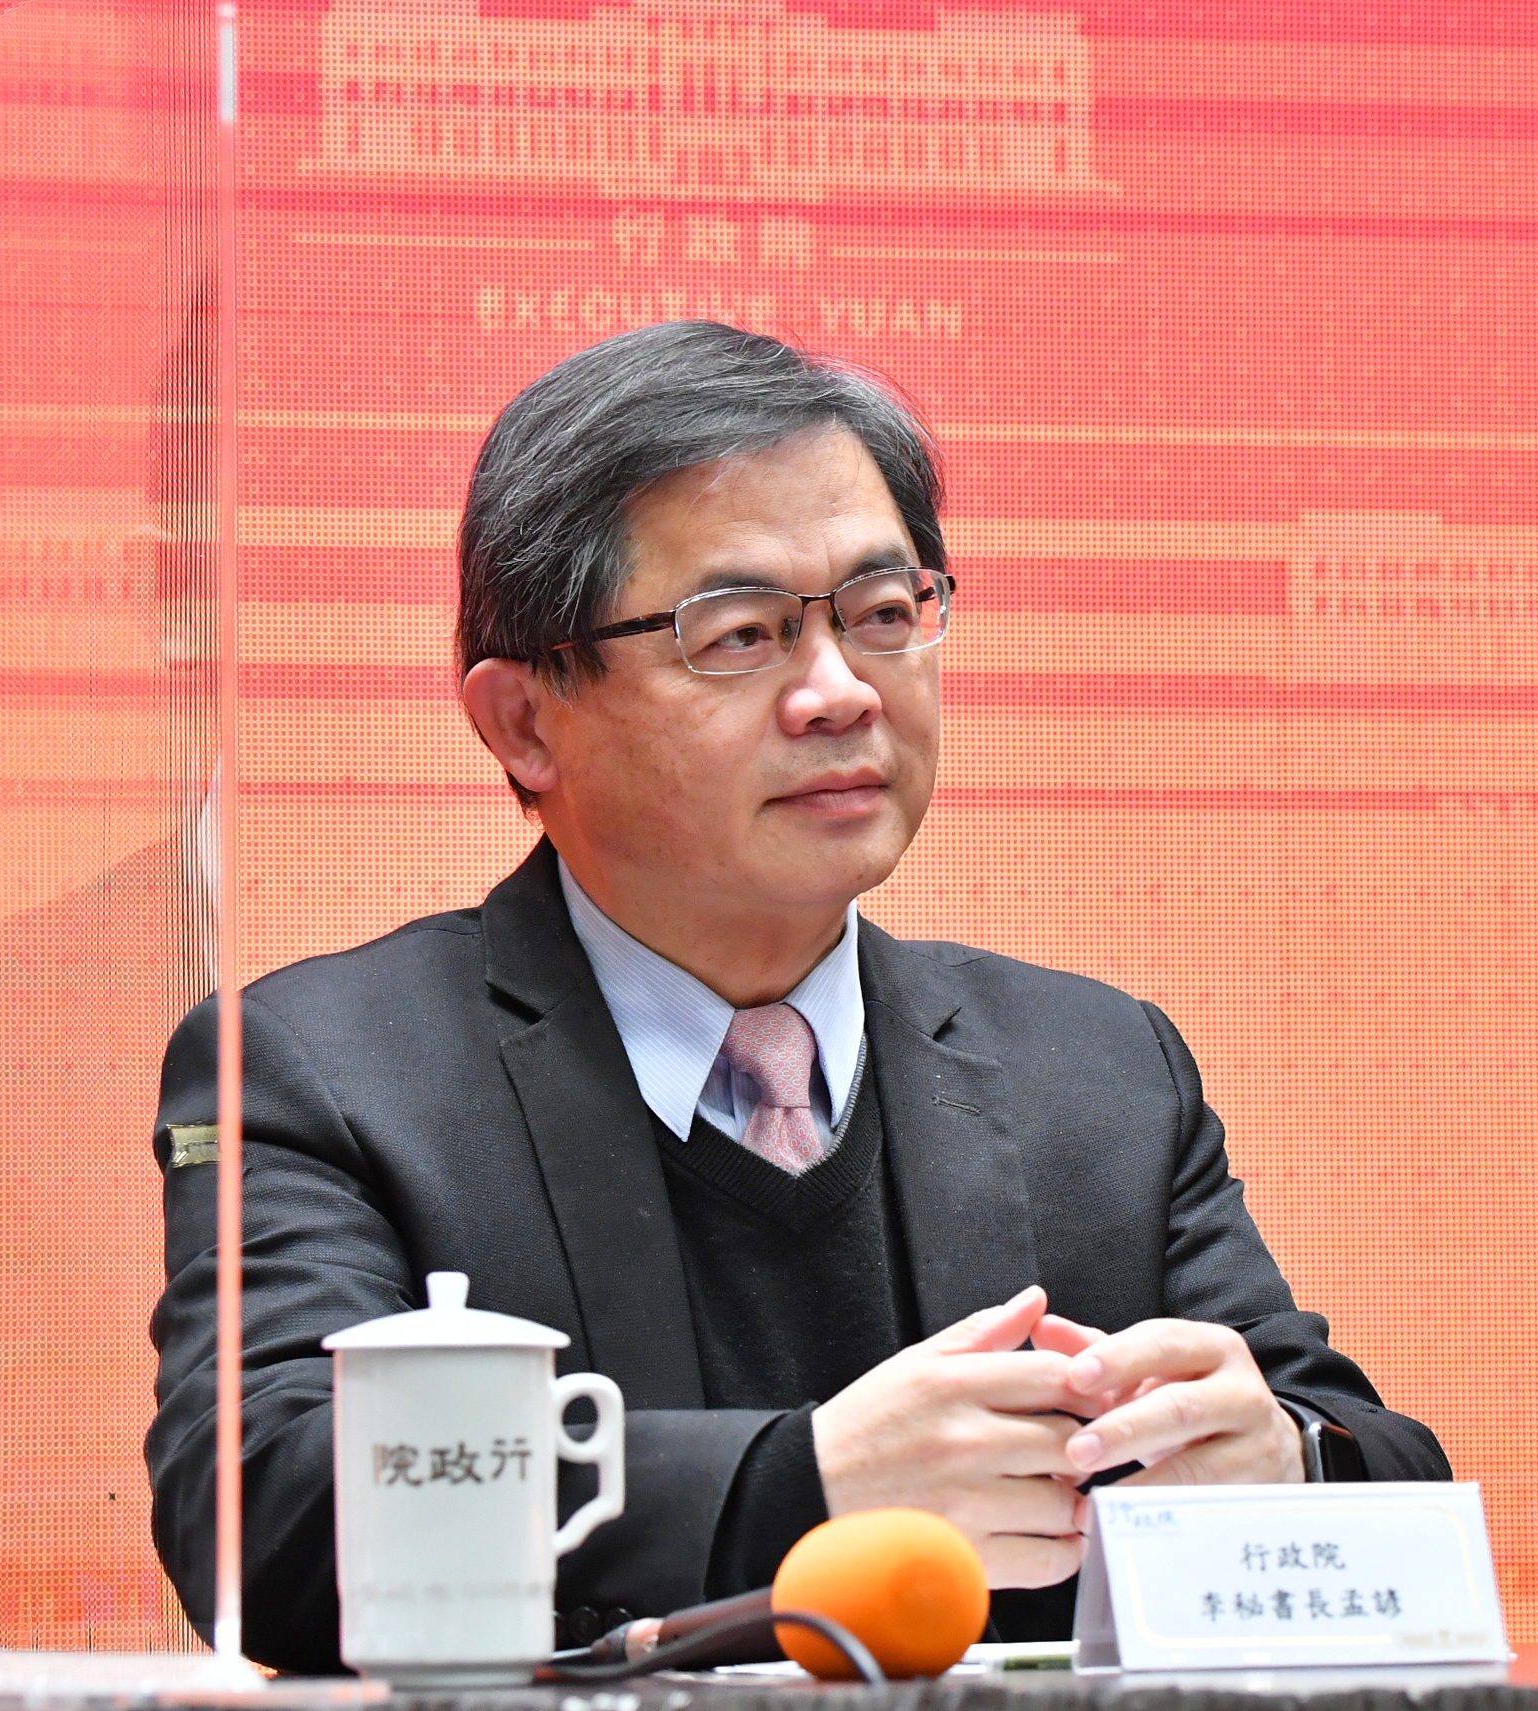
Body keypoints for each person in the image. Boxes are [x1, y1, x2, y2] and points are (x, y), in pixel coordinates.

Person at [145, 321, 1449, 1673]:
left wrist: (1279, 1458)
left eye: (883, 615)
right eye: (741, 635)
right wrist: (808, 1485)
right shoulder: (329, 1072)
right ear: (525, 722)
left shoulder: (1096, 1069)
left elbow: (1378, 1472)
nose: (839, 693)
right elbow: (263, 1513)